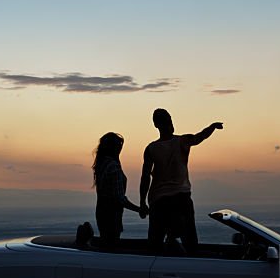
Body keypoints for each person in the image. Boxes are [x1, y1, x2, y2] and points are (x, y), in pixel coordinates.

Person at [139, 109, 223, 255]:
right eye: (169, 119)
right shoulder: (182, 141)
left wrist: (142, 202)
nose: (171, 122)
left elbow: (145, 177)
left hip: (158, 200)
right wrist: (213, 127)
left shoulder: (151, 148)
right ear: (163, 123)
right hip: (180, 199)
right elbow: (200, 137)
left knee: (155, 243)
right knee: (189, 241)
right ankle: (191, 268)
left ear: (155, 124)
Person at [91, 132, 142, 247]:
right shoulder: (113, 166)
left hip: (101, 211)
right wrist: (139, 209)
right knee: (111, 244)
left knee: (106, 244)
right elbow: (119, 198)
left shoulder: (101, 164)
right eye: (118, 146)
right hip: (112, 215)